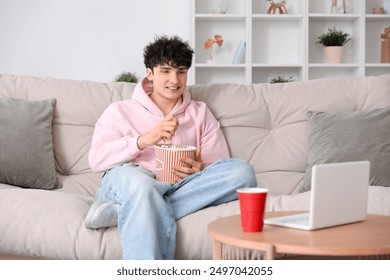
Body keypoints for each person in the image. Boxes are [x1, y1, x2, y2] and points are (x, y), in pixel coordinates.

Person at [85, 35, 257, 260]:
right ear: (150, 73)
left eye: (181, 71)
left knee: (242, 172)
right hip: (128, 177)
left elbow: (219, 166)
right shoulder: (120, 110)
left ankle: (124, 211)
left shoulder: (199, 112)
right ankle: (140, 203)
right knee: (142, 187)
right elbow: (96, 159)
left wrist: (200, 169)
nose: (174, 79)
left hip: (181, 185)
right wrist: (144, 140)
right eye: (165, 71)